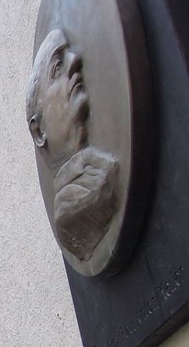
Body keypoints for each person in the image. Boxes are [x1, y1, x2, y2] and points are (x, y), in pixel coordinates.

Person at [26, 27, 119, 263]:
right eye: (57, 66)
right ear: (39, 132)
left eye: (69, 54)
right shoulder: (71, 212)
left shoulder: (102, 168)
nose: (75, 60)